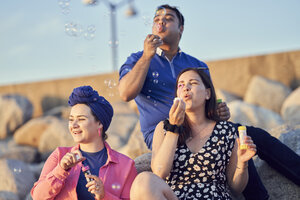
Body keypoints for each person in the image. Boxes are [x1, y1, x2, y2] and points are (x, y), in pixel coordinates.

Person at [119, 4, 300, 199]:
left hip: (201, 125)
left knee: (248, 140)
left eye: (168, 18)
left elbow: (212, 100)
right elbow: (125, 93)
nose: (160, 22)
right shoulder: (138, 59)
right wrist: (147, 55)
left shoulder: (197, 65)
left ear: (181, 28)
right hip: (164, 132)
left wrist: (219, 110)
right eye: (156, 20)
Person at [131, 67, 257, 199]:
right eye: (181, 85)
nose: (186, 88)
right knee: (143, 181)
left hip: (214, 197)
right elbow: (160, 172)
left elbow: (236, 188)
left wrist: (242, 164)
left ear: (207, 93)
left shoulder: (227, 130)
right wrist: (174, 128)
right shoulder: (163, 128)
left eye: (193, 83)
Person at [31, 85, 137, 200]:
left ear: (99, 123)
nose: (74, 125)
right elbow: (38, 197)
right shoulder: (59, 155)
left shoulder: (126, 165)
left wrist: (104, 196)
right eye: (71, 120)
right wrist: (60, 171)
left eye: (81, 119)